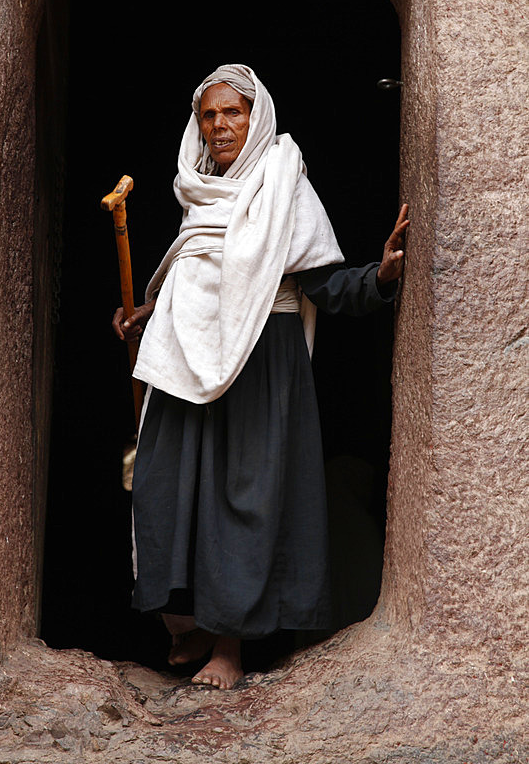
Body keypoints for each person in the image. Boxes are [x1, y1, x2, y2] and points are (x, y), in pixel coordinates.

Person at [113, 64, 408, 690]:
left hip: (260, 363)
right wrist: (149, 311)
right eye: (209, 116)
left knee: (244, 500)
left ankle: (229, 650)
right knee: (167, 487)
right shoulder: (198, 188)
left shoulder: (283, 185)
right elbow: (198, 271)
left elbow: (322, 281)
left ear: (257, 117)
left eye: (234, 113)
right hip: (188, 360)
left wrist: (377, 278)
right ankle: (186, 626)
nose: (221, 126)